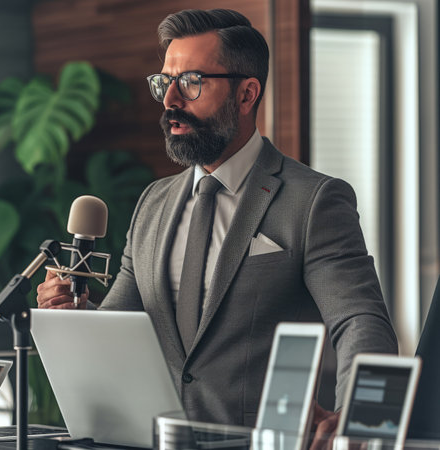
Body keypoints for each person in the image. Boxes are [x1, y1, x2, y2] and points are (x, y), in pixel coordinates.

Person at [37, 8, 398, 445]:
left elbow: (359, 320)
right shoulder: (152, 202)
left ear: (246, 95)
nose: (171, 101)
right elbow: (124, 326)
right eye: (164, 83)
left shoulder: (315, 200)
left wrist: (362, 419)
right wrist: (77, 320)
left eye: (190, 82)